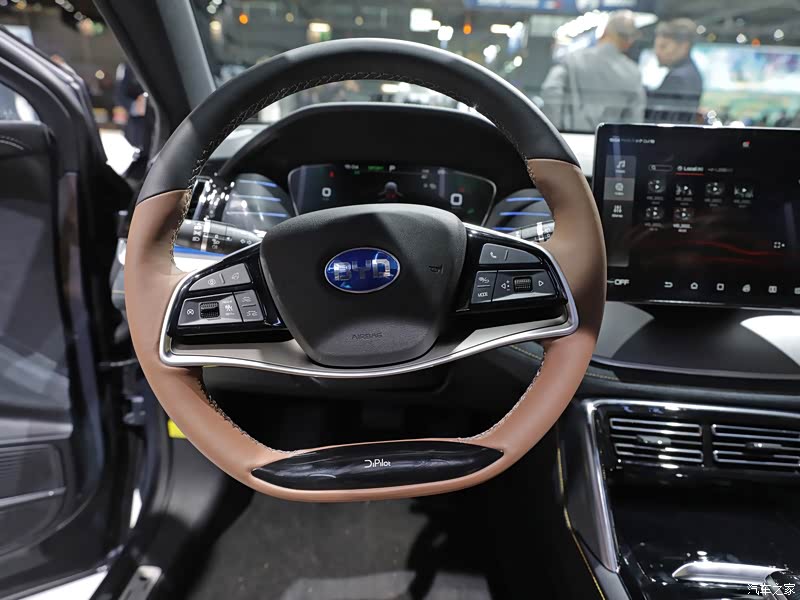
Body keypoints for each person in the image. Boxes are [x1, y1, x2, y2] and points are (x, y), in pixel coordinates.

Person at [541, 10, 646, 132]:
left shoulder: (572, 60)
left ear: (604, 32)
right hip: (608, 141)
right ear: (629, 41)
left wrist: (556, 131)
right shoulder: (633, 73)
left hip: (571, 137)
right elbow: (634, 119)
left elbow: (551, 90)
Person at [647, 18, 704, 123]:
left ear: (684, 47)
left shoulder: (678, 78)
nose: (657, 52)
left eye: (663, 46)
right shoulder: (690, 73)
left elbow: (658, 120)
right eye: (656, 47)